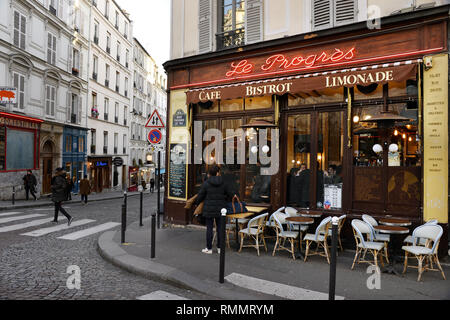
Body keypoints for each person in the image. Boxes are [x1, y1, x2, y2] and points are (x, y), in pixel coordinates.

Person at [194, 165, 234, 254]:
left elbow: (200, 196)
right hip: (221, 209)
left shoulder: (206, 183)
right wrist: (224, 200)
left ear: (210, 173)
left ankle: (209, 248)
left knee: (209, 228)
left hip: (209, 208)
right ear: (217, 173)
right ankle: (220, 248)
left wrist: (197, 203)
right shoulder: (223, 183)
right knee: (220, 228)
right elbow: (230, 194)